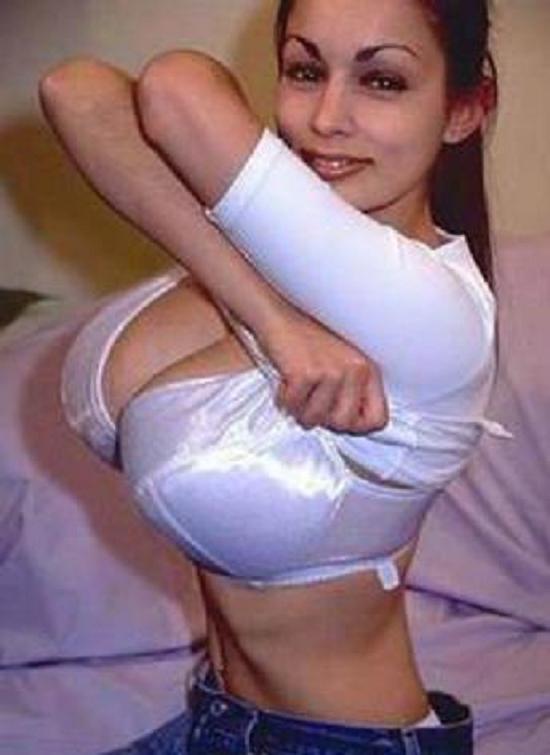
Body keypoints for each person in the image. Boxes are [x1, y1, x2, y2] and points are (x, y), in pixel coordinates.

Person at [39, 0, 507, 752]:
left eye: (382, 81)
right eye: (305, 70)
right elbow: (74, 91)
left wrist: (262, 309)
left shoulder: (436, 317)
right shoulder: (250, 258)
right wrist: (270, 320)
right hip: (213, 716)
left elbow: (177, 87)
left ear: (462, 111)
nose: (326, 119)